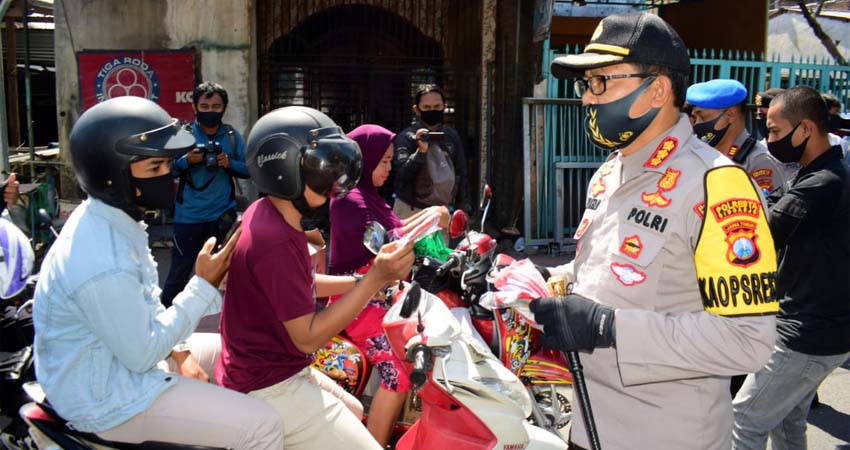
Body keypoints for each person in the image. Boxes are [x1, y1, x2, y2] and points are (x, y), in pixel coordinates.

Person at [530, 12, 778, 450]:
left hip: (666, 436)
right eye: (585, 84)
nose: (588, 98)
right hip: (588, 423)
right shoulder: (611, 171)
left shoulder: (717, 185)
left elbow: (749, 342)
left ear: (658, 90)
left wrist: (609, 326)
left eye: (600, 82)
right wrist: (546, 283)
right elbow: (611, 271)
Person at [32, 96, 283, 449]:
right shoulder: (102, 257)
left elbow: (147, 308)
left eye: (166, 166)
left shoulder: (115, 222)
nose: (167, 177)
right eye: (154, 170)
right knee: (263, 425)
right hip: (108, 398)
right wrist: (203, 285)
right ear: (113, 177)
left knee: (246, 349)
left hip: (114, 363)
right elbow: (144, 353)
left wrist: (180, 351)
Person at [215, 106, 415, 450]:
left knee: (354, 410)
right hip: (269, 384)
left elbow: (300, 280)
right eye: (322, 170)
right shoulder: (274, 237)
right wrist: (372, 280)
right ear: (282, 170)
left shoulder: (270, 213)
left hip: (276, 369)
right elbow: (307, 338)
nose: (333, 181)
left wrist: (363, 284)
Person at [732, 86, 850, 450]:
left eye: (776, 131)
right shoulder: (825, 171)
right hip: (825, 326)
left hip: (806, 332)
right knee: (787, 420)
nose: (769, 140)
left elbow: (763, 234)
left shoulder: (821, 184)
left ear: (806, 129)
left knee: (743, 421)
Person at [328, 124, 449, 446]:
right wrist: (430, 220)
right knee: (398, 374)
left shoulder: (369, 195)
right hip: (357, 301)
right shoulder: (351, 201)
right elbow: (390, 244)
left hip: (382, 295)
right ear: (364, 160)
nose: (389, 167)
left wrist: (430, 216)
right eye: (383, 161)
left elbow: (394, 227)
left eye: (391, 160)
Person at [161, 81, 249, 307]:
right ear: (194, 107)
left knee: (232, 273)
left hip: (222, 217)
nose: (210, 111)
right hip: (189, 217)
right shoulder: (183, 134)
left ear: (224, 108)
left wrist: (229, 164)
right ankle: (162, 324)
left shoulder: (231, 136)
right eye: (205, 106)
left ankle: (232, 322)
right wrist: (185, 161)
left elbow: (249, 170)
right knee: (179, 274)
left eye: (216, 106)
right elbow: (165, 171)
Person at [687, 79, 788, 194]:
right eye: (695, 117)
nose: (698, 124)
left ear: (730, 114)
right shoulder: (698, 152)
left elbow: (768, 209)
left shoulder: (758, 162)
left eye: (703, 117)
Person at [391, 84, 470, 218]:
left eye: (437, 107)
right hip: (411, 209)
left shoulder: (451, 136)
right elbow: (401, 176)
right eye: (426, 107)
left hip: (442, 211)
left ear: (444, 107)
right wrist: (420, 152)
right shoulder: (407, 137)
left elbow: (461, 172)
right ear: (416, 109)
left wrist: (463, 208)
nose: (432, 111)